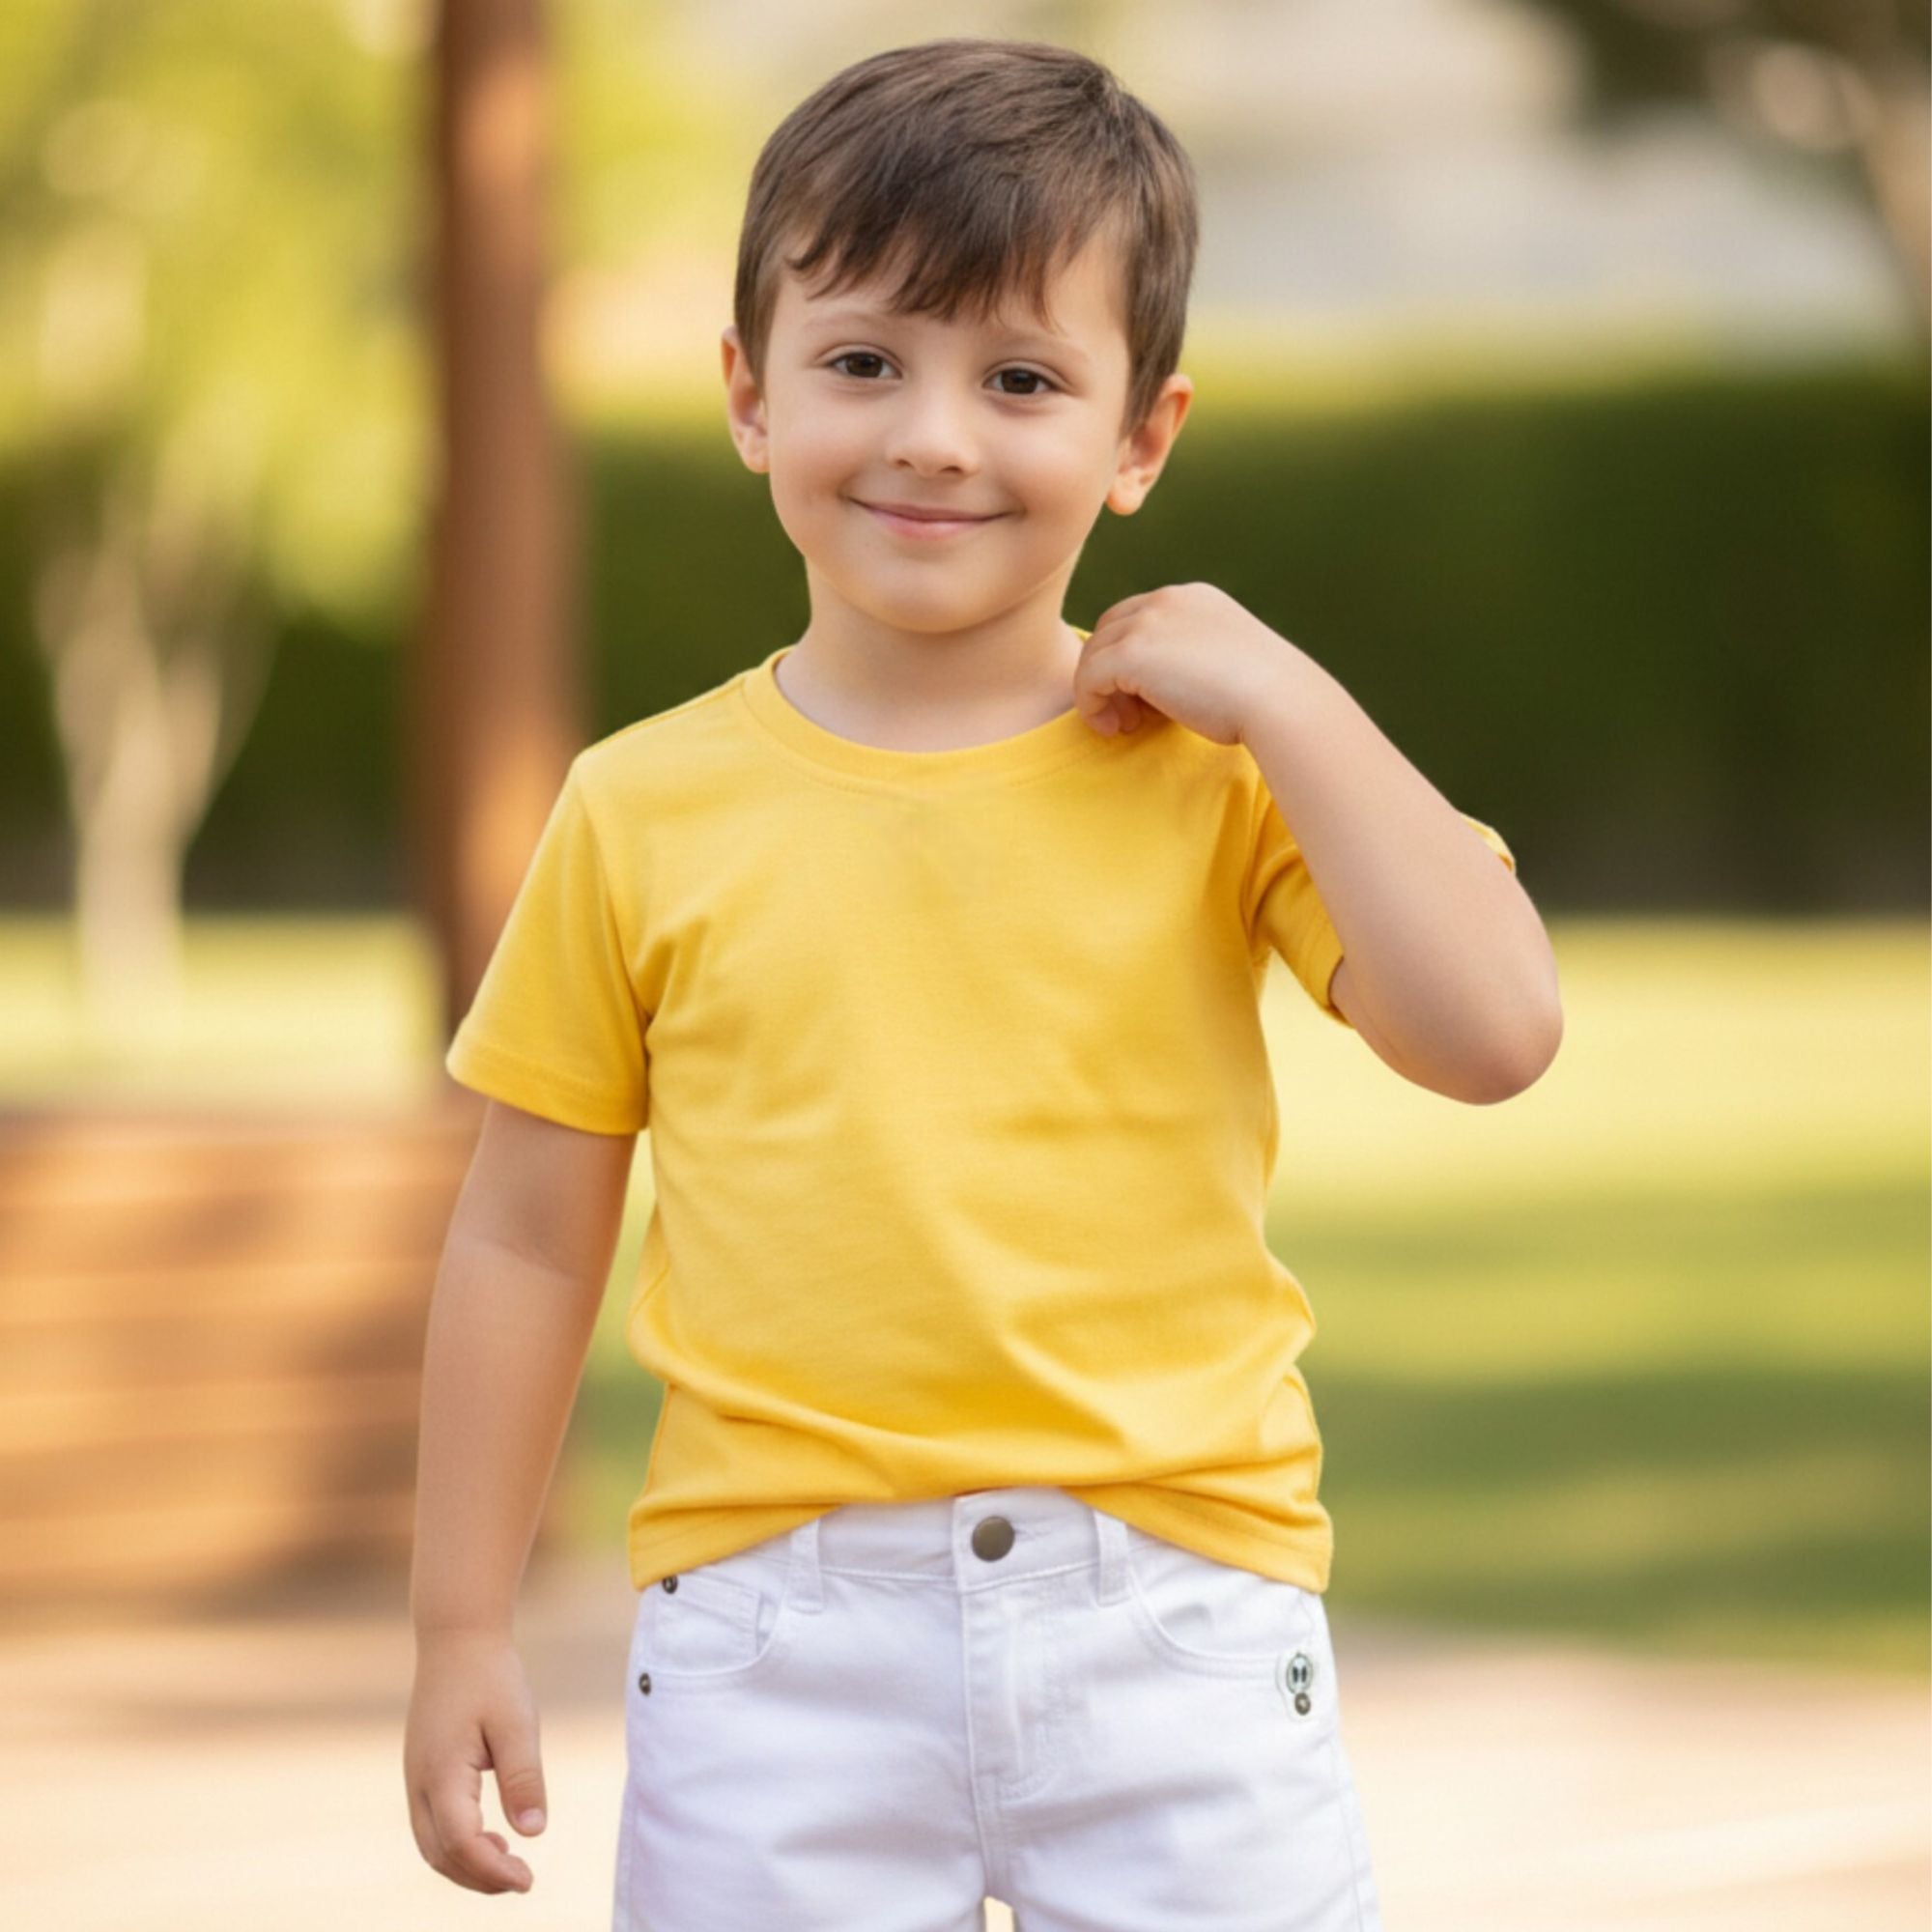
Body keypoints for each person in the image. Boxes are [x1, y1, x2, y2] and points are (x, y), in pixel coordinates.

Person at [404, 35, 1562, 1932]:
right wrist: (459, 1622)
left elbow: (1498, 1030)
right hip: (774, 1646)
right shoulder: (635, 808)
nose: (935, 432)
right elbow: (527, 1236)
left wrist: (1287, 696)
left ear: (1138, 442)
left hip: (1178, 1617)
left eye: (1019, 377)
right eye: (864, 360)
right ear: (747, 395)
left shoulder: (1219, 775)